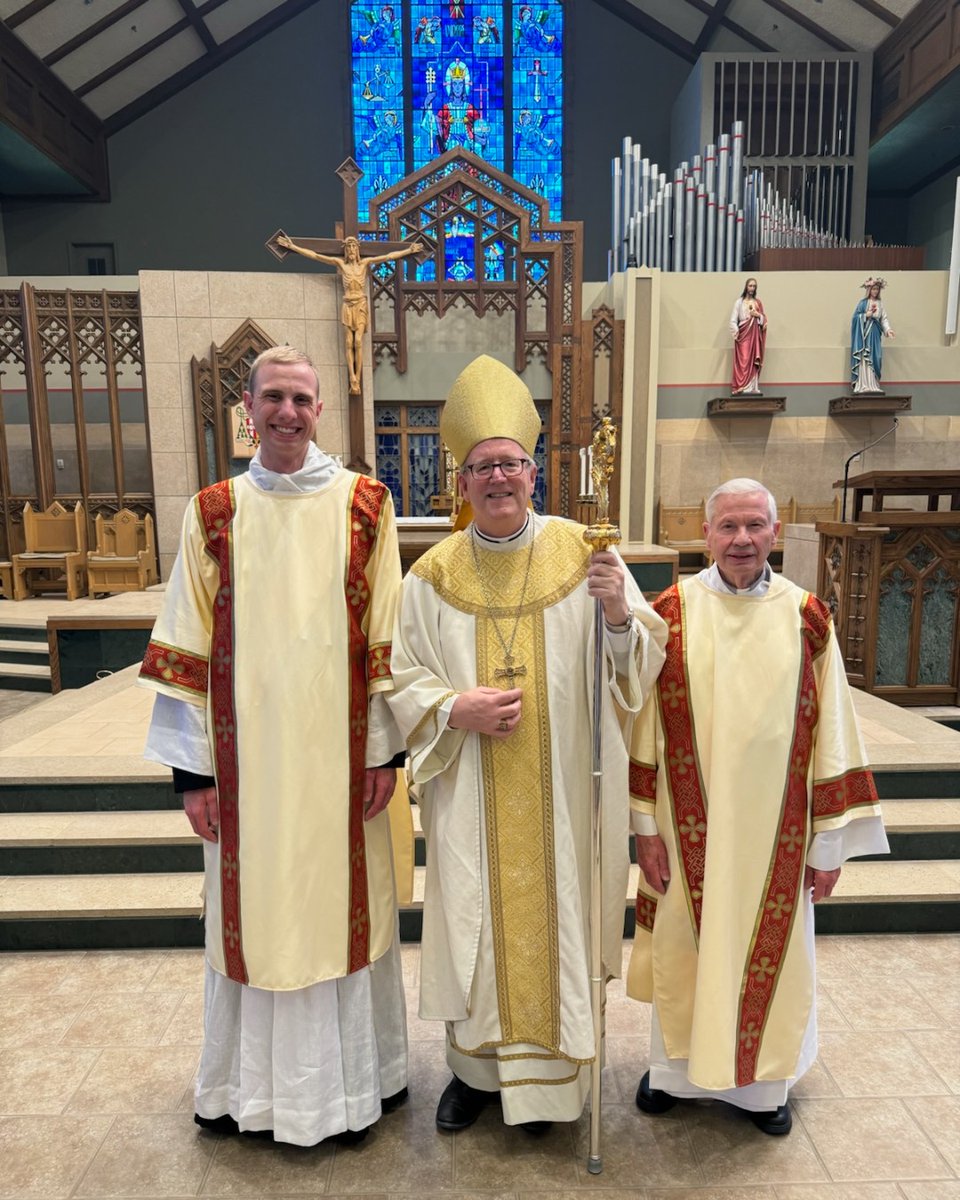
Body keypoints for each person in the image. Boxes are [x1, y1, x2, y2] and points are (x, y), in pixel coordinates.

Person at [387, 354, 667, 1133]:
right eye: (482, 467)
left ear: (534, 473)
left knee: (558, 918)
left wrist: (617, 615)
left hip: (566, 793)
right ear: (463, 481)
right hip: (470, 791)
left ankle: (556, 1085)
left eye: (510, 463)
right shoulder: (432, 576)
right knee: (473, 919)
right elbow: (399, 677)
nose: (498, 478)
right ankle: (474, 1076)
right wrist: (453, 707)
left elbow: (640, 662)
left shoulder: (589, 552)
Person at [139, 345, 408, 1147]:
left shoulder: (367, 504)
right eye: (273, 398)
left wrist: (381, 756)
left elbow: (385, 633)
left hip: (340, 768)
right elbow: (185, 638)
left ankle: (352, 1091)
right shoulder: (214, 510)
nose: (288, 412)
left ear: (320, 409)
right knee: (254, 923)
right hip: (246, 773)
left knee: (339, 916)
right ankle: (247, 1095)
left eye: (301, 398)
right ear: (247, 410)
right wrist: (194, 775)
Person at [627, 478, 888, 1136]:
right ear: (706, 534)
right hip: (687, 831)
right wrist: (644, 831)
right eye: (727, 527)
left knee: (766, 954)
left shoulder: (806, 617)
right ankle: (673, 1075)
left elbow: (833, 734)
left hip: (778, 838)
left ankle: (763, 1089)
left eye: (754, 526)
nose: (741, 540)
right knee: (687, 947)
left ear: (775, 531)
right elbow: (642, 727)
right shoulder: (671, 611)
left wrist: (828, 847)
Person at [276, 234, 423, 396]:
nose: (352, 250)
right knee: (348, 341)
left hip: (360, 304)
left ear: (358, 250)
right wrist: (293, 247)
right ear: (345, 251)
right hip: (347, 305)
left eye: (354, 247)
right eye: (349, 247)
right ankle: (352, 376)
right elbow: (316, 256)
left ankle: (356, 379)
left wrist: (409, 251)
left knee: (358, 341)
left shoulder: (364, 264)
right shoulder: (341, 264)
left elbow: (387, 256)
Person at [851, 277, 895, 394]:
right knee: (865, 356)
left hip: (875, 334)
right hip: (864, 335)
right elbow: (855, 318)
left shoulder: (880, 304)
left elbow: (883, 319)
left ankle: (873, 384)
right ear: (869, 289)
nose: (875, 291)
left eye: (877, 289)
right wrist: (865, 315)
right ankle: (863, 384)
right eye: (874, 289)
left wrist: (888, 330)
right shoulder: (863, 303)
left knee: (876, 357)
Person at [729, 277, 767, 395]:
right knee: (744, 359)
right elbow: (733, 320)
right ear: (746, 287)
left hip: (754, 336)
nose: (752, 288)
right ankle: (742, 386)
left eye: (754, 286)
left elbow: (764, 320)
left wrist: (758, 315)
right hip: (744, 335)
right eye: (750, 286)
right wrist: (736, 332)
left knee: (753, 360)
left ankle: (751, 387)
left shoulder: (758, 303)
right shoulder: (739, 302)